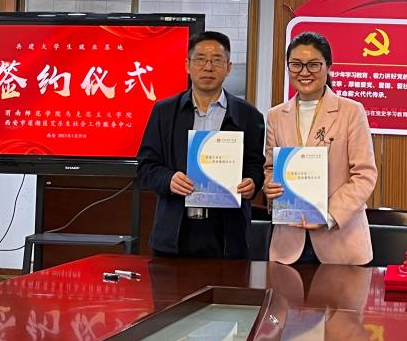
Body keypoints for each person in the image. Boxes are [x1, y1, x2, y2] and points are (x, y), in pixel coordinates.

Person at [137, 31, 265, 259]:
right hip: (175, 232)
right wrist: (168, 179)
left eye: (217, 60)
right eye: (200, 59)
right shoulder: (164, 112)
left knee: (228, 283)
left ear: (229, 67)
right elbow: (146, 166)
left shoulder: (249, 115)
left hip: (228, 235)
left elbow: (256, 165)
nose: (208, 67)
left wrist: (252, 182)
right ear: (187, 65)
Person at [264, 31, 378, 265]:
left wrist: (328, 215)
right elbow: (270, 168)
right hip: (288, 244)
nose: (304, 72)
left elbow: (364, 175)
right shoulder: (276, 115)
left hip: (341, 240)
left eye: (314, 64)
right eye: (296, 64)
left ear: (328, 67)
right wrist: (269, 186)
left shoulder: (351, 111)